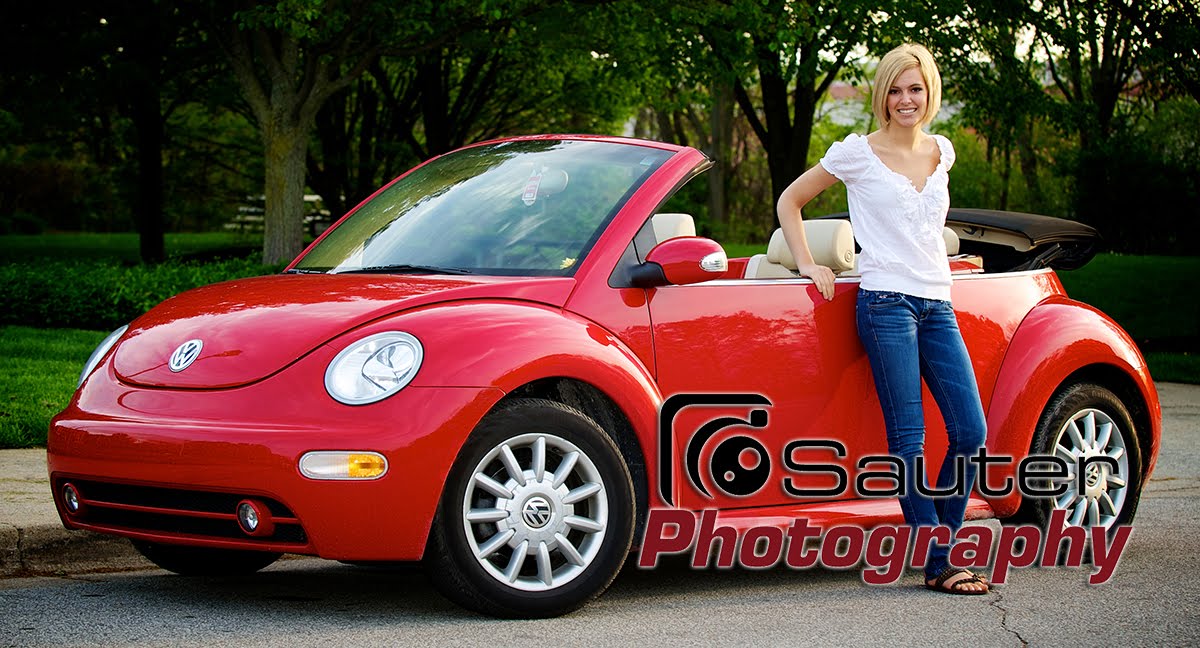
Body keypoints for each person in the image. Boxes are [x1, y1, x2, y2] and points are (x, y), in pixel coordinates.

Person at [776, 43, 990, 595]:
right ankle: (940, 561)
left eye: (915, 88)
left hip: (938, 304)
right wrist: (808, 263)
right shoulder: (857, 153)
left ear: (929, 92)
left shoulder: (942, 152)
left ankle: (940, 545)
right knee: (909, 437)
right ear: (881, 96)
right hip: (885, 304)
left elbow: (925, 230)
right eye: (894, 90)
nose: (905, 99)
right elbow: (790, 201)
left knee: (971, 431)